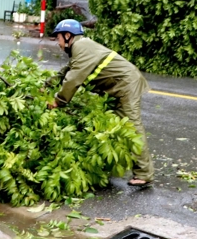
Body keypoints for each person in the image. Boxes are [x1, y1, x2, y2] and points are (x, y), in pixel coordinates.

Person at [48, 19, 154, 186]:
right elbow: (66, 71)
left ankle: (144, 173)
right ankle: (111, 166)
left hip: (125, 85)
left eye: (58, 38)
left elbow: (73, 78)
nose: (58, 43)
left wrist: (58, 101)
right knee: (111, 125)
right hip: (117, 86)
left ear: (68, 36)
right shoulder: (81, 47)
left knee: (132, 128)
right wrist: (46, 85)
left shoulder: (80, 47)